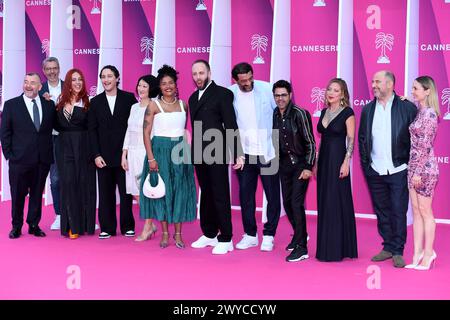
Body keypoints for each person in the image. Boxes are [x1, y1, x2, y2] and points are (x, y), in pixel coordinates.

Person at [359, 70, 417, 268]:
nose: (373, 85)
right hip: (375, 170)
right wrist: (367, 167)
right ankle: (388, 247)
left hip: (399, 168)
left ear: (390, 84)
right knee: (382, 211)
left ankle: (398, 250)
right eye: (373, 81)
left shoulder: (407, 107)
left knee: (398, 211)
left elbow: (416, 138)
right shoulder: (367, 109)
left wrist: (410, 164)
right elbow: (363, 139)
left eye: (378, 82)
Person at [189, 59, 244, 255]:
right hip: (199, 153)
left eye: (201, 73)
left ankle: (226, 237)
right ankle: (210, 233)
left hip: (217, 151)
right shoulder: (193, 98)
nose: (198, 77)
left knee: (220, 193)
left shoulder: (222, 94)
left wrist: (237, 152)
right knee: (206, 194)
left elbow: (230, 124)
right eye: (195, 74)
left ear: (209, 73)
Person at [139, 65, 197, 248]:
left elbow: (183, 130)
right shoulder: (153, 105)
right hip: (160, 151)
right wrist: (151, 159)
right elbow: (145, 133)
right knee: (162, 193)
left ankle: (178, 235)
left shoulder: (184, 105)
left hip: (180, 152)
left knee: (180, 191)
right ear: (160, 86)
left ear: (175, 84)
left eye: (170, 82)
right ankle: (165, 234)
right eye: (163, 83)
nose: (167, 86)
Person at [228, 62, 281, 252]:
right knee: (246, 196)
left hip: (268, 151)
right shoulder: (230, 93)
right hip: (244, 154)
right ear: (236, 80)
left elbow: (281, 113)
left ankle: (269, 235)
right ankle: (250, 234)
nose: (249, 83)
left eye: (251, 78)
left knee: (272, 195)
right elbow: (229, 125)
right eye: (244, 81)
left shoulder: (267, 88)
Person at [1, 73, 56, 239]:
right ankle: (16, 226)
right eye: (26, 82)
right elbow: (5, 133)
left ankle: (33, 224)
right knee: (18, 195)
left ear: (40, 87)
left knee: (37, 194)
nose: (28, 85)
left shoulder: (49, 105)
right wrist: (10, 155)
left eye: (33, 83)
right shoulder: (11, 105)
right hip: (19, 160)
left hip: (42, 159)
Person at [88, 65, 137, 239]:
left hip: (124, 156)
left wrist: (130, 153)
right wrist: (96, 155)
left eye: (110, 76)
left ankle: (127, 226)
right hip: (103, 157)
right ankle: (106, 227)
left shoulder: (129, 98)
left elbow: (134, 128)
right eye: (103, 77)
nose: (106, 80)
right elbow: (91, 131)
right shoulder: (95, 102)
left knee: (126, 194)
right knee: (105, 194)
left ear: (117, 78)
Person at [272, 80, 316, 262]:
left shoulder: (300, 114)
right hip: (284, 166)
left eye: (283, 95)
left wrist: (308, 167)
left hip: (300, 165)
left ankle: (302, 248)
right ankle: (300, 235)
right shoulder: (275, 114)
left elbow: (311, 143)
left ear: (290, 95)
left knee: (296, 204)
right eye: (277, 95)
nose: (280, 99)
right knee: (288, 204)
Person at [316, 78, 358, 262]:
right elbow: (321, 140)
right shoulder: (324, 111)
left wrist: (346, 162)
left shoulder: (348, 112)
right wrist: (316, 163)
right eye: (329, 89)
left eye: (336, 90)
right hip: (324, 160)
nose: (331, 93)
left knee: (335, 201)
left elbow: (351, 139)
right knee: (324, 201)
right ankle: (325, 246)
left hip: (338, 160)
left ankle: (338, 248)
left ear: (342, 94)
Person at [54, 69, 96, 239]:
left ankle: (86, 223)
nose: (77, 82)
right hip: (64, 147)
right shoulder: (59, 103)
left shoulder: (88, 102)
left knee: (84, 184)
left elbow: (93, 128)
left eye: (80, 79)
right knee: (68, 184)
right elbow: (55, 125)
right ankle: (71, 225)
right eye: (74, 79)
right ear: (68, 84)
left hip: (84, 147)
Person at [405, 76, 439, 270]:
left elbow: (425, 147)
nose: (413, 91)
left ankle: (429, 254)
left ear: (427, 91)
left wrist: (417, 171)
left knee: (426, 212)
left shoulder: (430, 115)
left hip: (424, 170)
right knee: (416, 212)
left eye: (416, 88)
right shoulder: (420, 112)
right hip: (413, 167)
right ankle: (417, 253)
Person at [122, 75, 160, 242]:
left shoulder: (154, 107)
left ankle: (147, 226)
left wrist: (151, 156)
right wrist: (124, 154)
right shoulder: (133, 107)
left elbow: (154, 134)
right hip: (132, 153)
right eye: (139, 86)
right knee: (134, 191)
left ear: (151, 88)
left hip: (145, 153)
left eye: (144, 86)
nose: (141, 89)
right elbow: (128, 131)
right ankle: (150, 223)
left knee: (146, 191)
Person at [40, 56, 63, 230]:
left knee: (73, 177)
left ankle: (78, 212)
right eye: (48, 69)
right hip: (49, 140)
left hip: (68, 139)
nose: (52, 71)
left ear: (59, 69)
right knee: (55, 180)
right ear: (44, 71)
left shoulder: (69, 87)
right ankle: (60, 215)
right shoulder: (39, 90)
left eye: (54, 68)